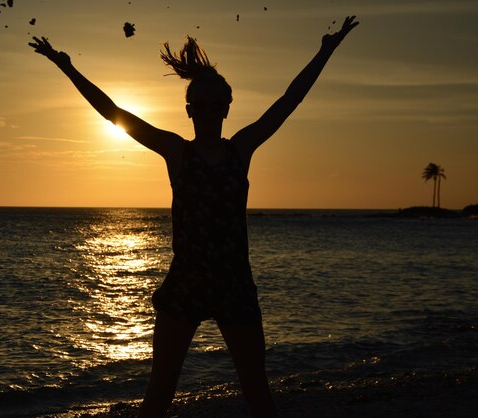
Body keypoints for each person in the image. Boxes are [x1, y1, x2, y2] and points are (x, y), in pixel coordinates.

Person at [29, 15, 358, 417]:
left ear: (226, 108)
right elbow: (112, 112)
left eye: (213, 105)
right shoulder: (176, 152)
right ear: (188, 110)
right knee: (158, 397)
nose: (205, 111)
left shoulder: (242, 149)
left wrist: (326, 51)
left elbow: (289, 101)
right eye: (197, 105)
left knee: (259, 395)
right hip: (186, 283)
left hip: (235, 283)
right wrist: (67, 67)